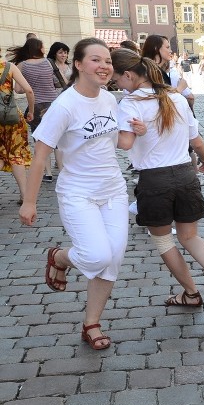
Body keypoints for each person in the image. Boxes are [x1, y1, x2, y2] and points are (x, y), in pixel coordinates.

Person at [19, 38, 147, 350]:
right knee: (97, 254)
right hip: (78, 193)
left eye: (107, 61)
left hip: (113, 190)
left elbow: (119, 143)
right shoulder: (64, 106)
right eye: (95, 60)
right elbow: (40, 157)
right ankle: (59, 257)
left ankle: (92, 323)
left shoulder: (108, 99)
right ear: (78, 64)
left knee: (112, 259)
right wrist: (30, 201)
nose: (104, 66)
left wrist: (136, 132)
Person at [111, 47, 204, 308]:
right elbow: (196, 141)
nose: (118, 86)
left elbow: (126, 143)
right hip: (186, 174)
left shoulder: (130, 104)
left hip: (154, 180)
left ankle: (191, 293)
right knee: (189, 236)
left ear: (129, 75)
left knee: (164, 240)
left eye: (117, 80)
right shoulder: (176, 98)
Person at [9, 37, 59, 182]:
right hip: (53, 104)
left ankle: (48, 173)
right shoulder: (49, 63)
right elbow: (56, 82)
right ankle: (63, 170)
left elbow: (18, 90)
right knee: (57, 139)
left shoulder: (22, 65)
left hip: (36, 106)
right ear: (39, 48)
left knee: (40, 139)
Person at [0, 52, 35, 205]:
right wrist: (31, 111)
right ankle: (24, 194)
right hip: (11, 117)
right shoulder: (9, 67)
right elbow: (28, 90)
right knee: (16, 154)